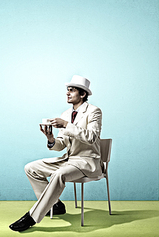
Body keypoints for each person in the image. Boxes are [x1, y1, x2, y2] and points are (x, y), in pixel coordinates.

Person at [9, 75, 103, 232]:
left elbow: (92, 137)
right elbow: (61, 145)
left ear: (83, 94)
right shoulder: (65, 114)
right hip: (69, 160)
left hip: (87, 162)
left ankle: (32, 217)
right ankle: (55, 205)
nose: (67, 93)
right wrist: (51, 139)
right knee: (31, 168)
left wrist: (66, 125)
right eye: (67, 90)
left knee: (58, 174)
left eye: (72, 90)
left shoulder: (94, 111)